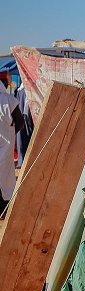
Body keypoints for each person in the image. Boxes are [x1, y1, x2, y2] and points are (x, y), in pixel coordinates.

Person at [0, 76, 25, 213]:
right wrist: (10, 132)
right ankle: (5, 209)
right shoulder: (10, 100)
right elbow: (20, 121)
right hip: (6, 144)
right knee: (6, 176)